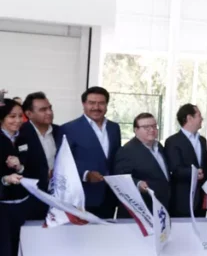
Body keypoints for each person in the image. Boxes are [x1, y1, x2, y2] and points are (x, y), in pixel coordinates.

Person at [61, 86, 121, 218]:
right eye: (92, 103)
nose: (96, 107)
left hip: (109, 196)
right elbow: (64, 162)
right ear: (83, 104)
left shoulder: (114, 128)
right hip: (82, 196)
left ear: (106, 105)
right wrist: (86, 174)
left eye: (101, 103)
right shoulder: (68, 129)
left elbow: (115, 159)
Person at [0, 99, 30, 256]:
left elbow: (28, 167)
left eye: (20, 116)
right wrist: (4, 179)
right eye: (12, 116)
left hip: (20, 208)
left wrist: (19, 169)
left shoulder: (20, 138)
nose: (17, 121)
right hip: (2, 210)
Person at [16, 92, 61, 220]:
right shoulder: (20, 134)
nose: (49, 112)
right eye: (43, 109)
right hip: (31, 198)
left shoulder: (60, 131)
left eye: (50, 108)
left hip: (58, 198)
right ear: (29, 114)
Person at [113, 113, 171, 210]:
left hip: (162, 205)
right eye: (146, 127)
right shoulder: (126, 150)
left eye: (154, 126)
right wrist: (138, 183)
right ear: (136, 130)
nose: (152, 130)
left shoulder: (159, 146)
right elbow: (120, 178)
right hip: (142, 208)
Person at [164, 104, 207, 218]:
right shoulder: (173, 141)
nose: (202, 119)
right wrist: (194, 173)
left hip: (201, 200)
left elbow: (206, 166)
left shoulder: (202, 140)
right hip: (182, 200)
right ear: (189, 118)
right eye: (199, 115)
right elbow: (175, 169)